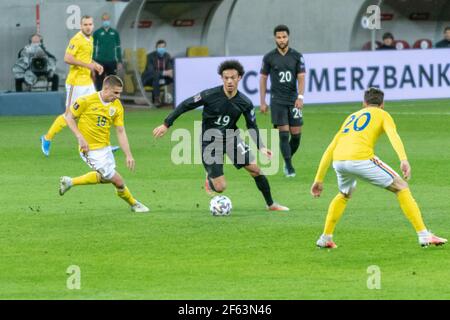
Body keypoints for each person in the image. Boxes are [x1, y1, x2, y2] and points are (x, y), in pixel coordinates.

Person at [310, 87, 447, 248]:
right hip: (360, 158)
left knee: (345, 193)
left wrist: (318, 179)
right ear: (382, 104)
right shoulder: (383, 114)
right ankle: (424, 235)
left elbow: (330, 147)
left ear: (364, 103)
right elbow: (393, 135)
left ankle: (326, 238)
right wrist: (403, 159)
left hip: (339, 161)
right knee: (401, 187)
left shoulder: (351, 117)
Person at [153, 60, 289, 212]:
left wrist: (261, 147)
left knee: (256, 170)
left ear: (239, 78)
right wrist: (166, 124)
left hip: (231, 138)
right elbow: (186, 105)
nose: (229, 81)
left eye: (233, 77)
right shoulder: (209, 95)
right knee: (220, 187)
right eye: (226, 78)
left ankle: (271, 204)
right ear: (222, 78)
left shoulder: (245, 102)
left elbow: (251, 126)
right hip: (209, 141)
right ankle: (210, 178)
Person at [59, 75, 149, 213]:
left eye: (120, 93)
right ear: (106, 89)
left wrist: (128, 154)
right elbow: (69, 117)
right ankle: (134, 204)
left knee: (106, 177)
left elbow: (120, 131)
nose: (118, 96)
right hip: (89, 150)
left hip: (105, 149)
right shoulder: (86, 101)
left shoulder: (117, 106)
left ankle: (70, 182)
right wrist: (79, 137)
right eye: (116, 92)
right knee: (117, 180)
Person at [40, 15, 104, 157]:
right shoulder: (77, 39)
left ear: (93, 25)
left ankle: (98, 145)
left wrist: (95, 64)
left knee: (95, 110)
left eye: (90, 24)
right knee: (70, 115)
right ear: (81, 26)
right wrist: (89, 65)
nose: (88, 26)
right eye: (85, 24)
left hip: (87, 82)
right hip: (76, 83)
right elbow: (67, 58)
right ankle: (47, 137)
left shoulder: (90, 39)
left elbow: (85, 58)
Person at [260, 25, 306, 178]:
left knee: (296, 136)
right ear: (275, 38)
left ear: (288, 37)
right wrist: (262, 101)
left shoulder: (297, 56)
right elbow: (263, 79)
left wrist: (300, 97)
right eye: (278, 37)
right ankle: (288, 166)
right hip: (277, 100)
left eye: (284, 37)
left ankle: (287, 158)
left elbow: (301, 77)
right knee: (284, 135)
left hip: (293, 100)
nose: (281, 40)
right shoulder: (269, 58)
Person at [93, 13, 123, 90]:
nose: (106, 21)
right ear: (102, 20)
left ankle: (112, 98)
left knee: (112, 81)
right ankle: (99, 97)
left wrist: (119, 61)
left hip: (112, 61)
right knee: (99, 81)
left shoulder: (115, 33)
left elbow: (118, 48)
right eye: (104, 19)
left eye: (107, 19)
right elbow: (93, 48)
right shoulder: (97, 33)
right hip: (100, 61)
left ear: (109, 20)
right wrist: (93, 61)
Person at [141, 39, 173, 106]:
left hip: (160, 79)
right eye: (160, 47)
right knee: (156, 76)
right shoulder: (150, 56)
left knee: (174, 77)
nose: (161, 49)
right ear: (156, 48)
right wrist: (163, 73)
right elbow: (151, 71)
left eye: (163, 47)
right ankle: (157, 100)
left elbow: (169, 69)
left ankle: (175, 98)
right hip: (148, 79)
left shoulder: (167, 56)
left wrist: (171, 72)